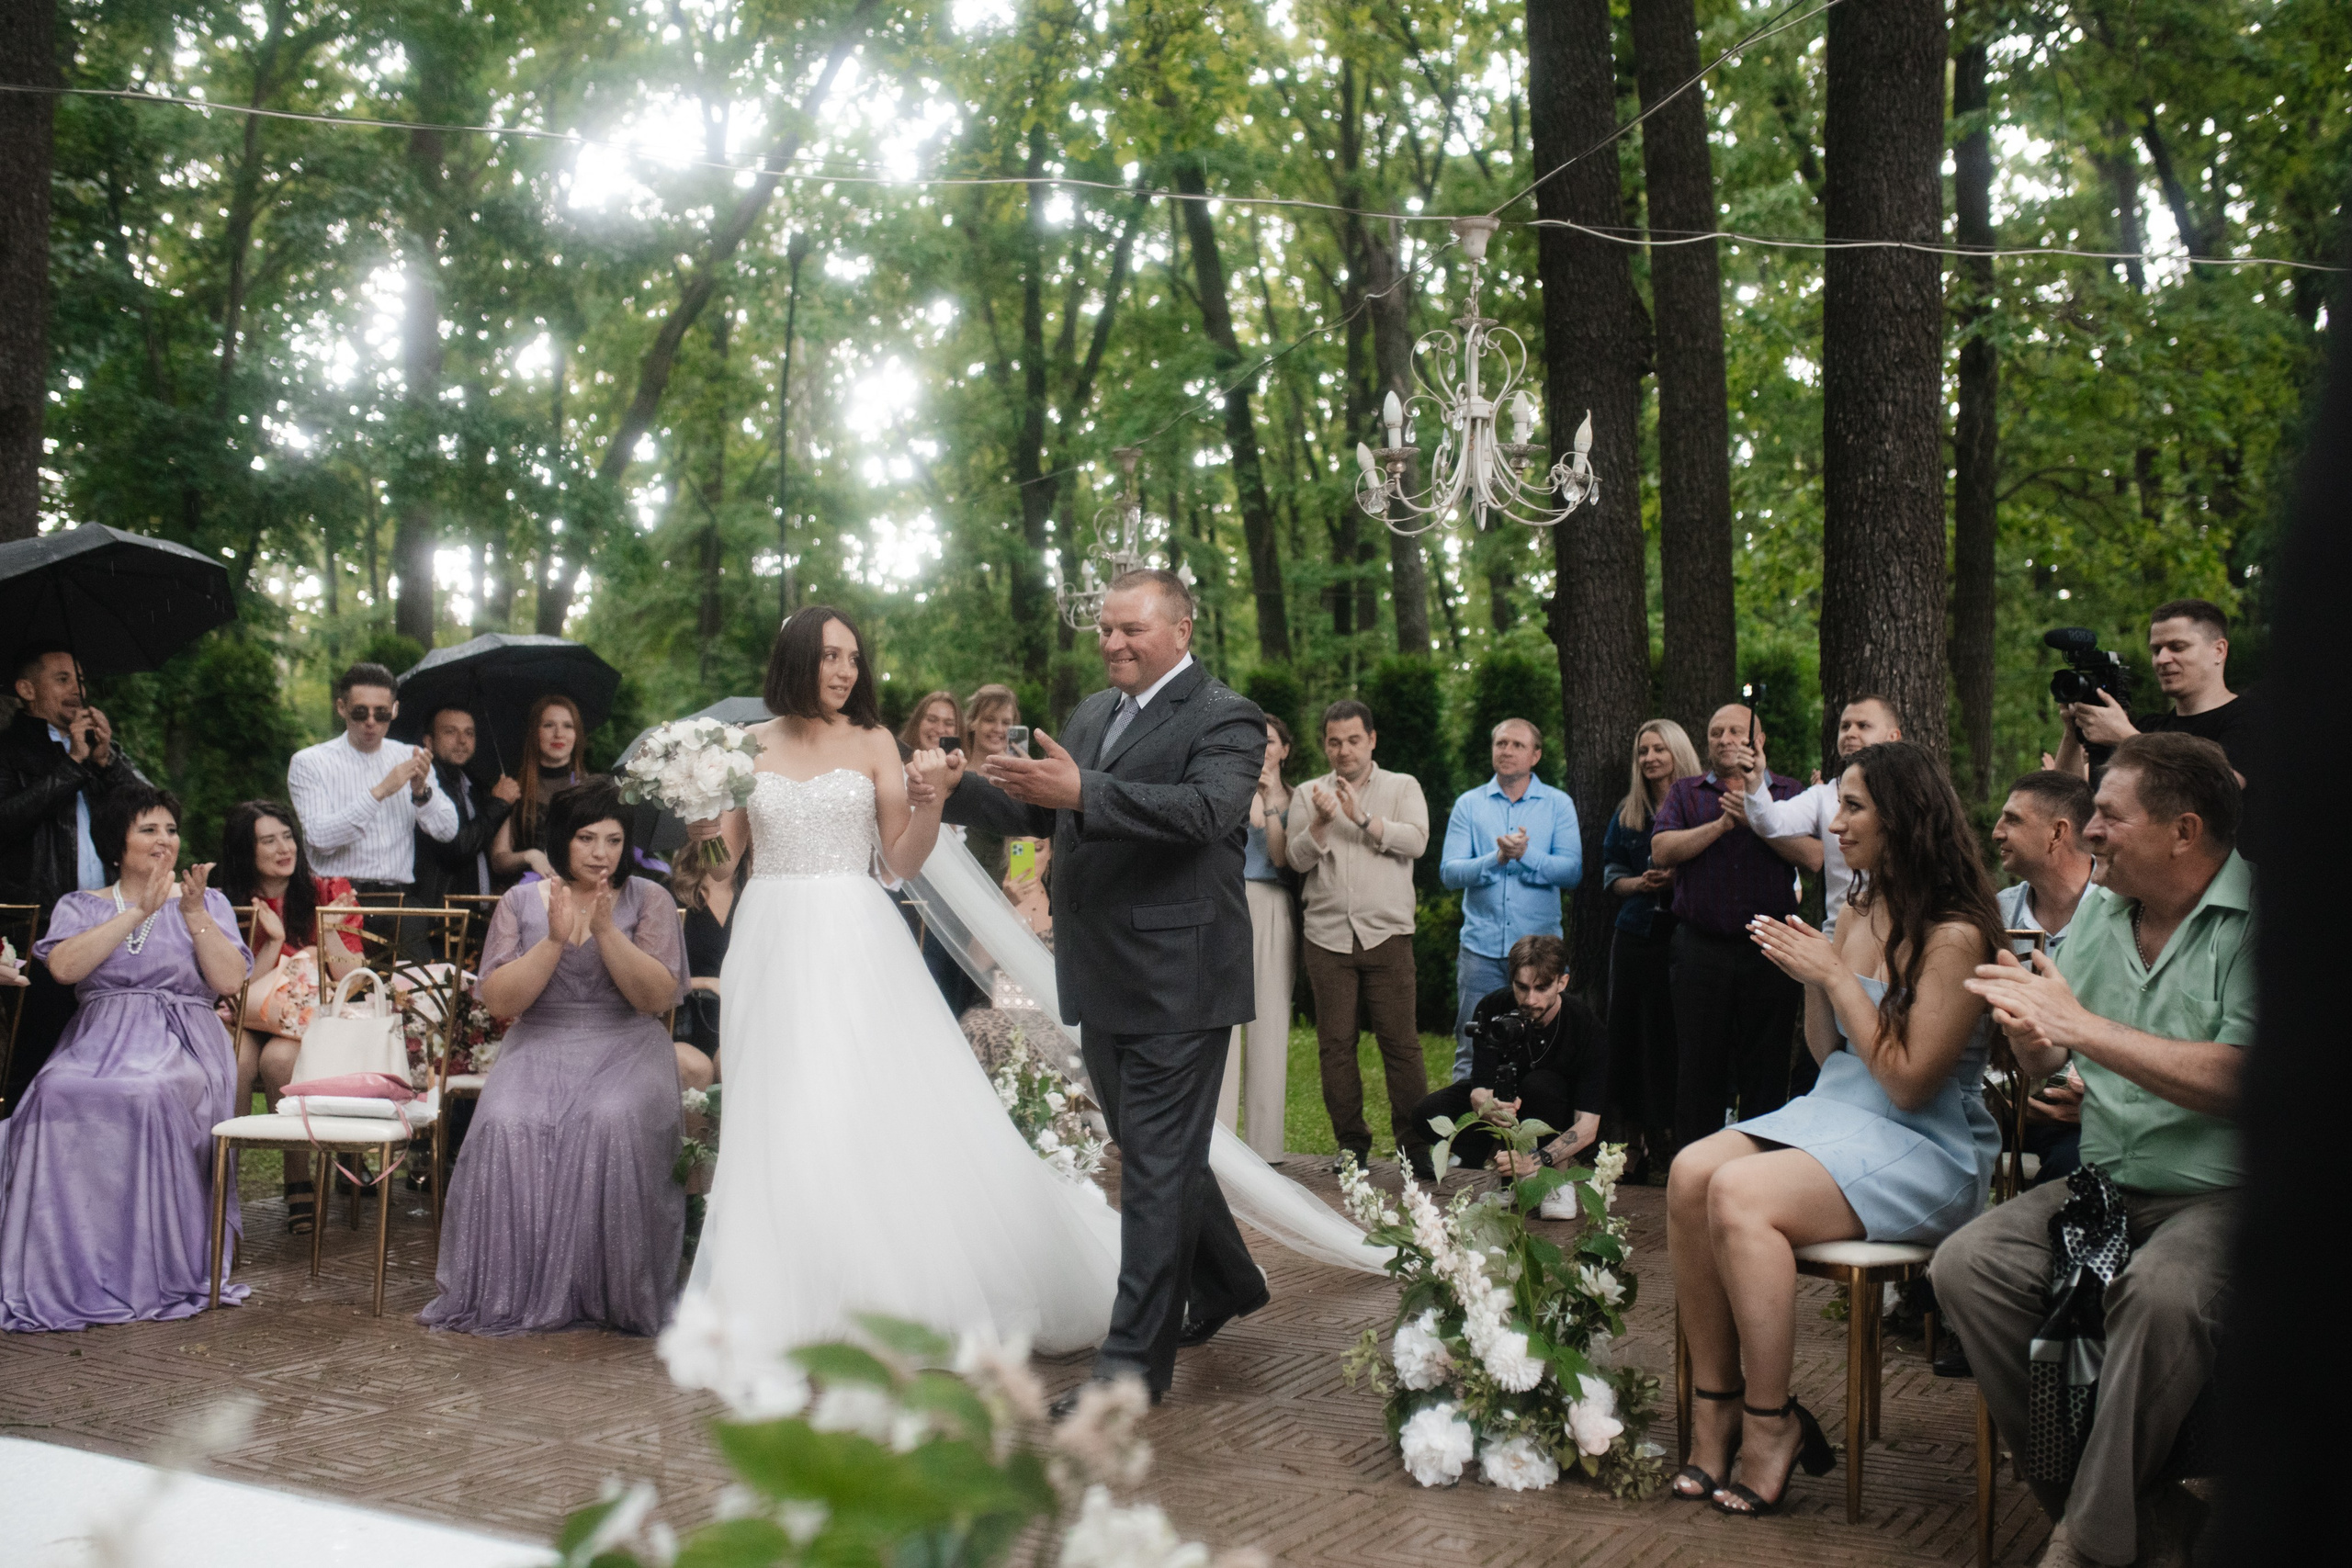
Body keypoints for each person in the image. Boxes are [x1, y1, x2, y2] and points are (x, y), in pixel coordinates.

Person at [667, 608, 1119, 1382]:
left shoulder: (875, 742)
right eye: (829, 656)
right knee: (783, 1115)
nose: (844, 670)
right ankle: (793, 1298)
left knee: (857, 1106)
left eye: (852, 657)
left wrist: (934, 800)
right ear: (796, 659)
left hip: (855, 936)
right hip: (770, 939)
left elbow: (900, 863)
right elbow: (716, 866)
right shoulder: (747, 748)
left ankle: (881, 1297)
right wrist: (699, 803)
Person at [939, 570, 1275, 1403]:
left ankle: (1127, 1377)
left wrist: (1083, 789)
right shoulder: (1092, 714)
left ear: (1182, 630)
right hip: (1102, 976)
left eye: (1132, 628)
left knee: (1155, 1173)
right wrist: (960, 786)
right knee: (1164, 1156)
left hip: (1180, 980)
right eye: (1106, 629)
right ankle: (1229, 1279)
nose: (1115, 642)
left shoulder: (1225, 717)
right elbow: (1038, 813)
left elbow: (1203, 812)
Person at [1668, 740, 2003, 1517]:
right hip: (1840, 1109)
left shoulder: (1955, 933)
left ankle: (1770, 1421)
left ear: (1903, 818)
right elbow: (1830, 1054)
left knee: (1740, 1195)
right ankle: (1712, 1407)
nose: (1836, 820)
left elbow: (1913, 1080)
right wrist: (1814, 979)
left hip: (1926, 1142)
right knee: (1689, 1173)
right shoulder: (1859, 903)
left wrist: (1828, 974)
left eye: (1853, 806)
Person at [1939, 735, 2248, 1568]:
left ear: (2183, 831)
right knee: (1965, 1265)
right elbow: (2062, 1056)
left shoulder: (2261, 920)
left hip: (2222, 1196)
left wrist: (2081, 1030)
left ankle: (2082, 1547)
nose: (2091, 830)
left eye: (2109, 813)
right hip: (2106, 1182)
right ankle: (2140, 1527)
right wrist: (2038, 1043)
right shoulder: (2103, 913)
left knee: (2158, 1294)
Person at [421, 778, 691, 1337]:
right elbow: (500, 1002)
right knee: (505, 1121)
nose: (601, 854)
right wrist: (552, 940)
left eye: (614, 840)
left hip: (627, 1043)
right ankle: (509, 1288)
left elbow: (656, 998)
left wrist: (605, 934)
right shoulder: (521, 901)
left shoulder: (651, 898)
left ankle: (610, 1291)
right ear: (564, 840)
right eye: (587, 839)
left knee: (610, 1119)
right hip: (541, 1039)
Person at [0, 784, 253, 1331]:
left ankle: (151, 1265)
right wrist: (138, 911)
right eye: (148, 829)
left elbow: (230, 980)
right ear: (118, 845)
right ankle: (64, 1263)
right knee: (52, 1090)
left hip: (182, 1039)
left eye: (170, 828)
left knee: (147, 1091)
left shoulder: (206, 902)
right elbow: (65, 969)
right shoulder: (80, 904)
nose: (165, 840)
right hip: (96, 1038)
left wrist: (190, 915)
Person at [1648, 704, 1820, 1154]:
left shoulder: (1788, 791)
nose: (1724, 739)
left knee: (1765, 1066)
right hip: (1700, 950)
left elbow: (1814, 857)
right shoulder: (1687, 793)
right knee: (1699, 1068)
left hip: (1770, 949)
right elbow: (1662, 850)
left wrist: (1758, 820)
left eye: (1736, 732)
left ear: (1758, 741)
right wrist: (1724, 823)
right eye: (1715, 732)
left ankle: (1756, 1169)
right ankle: (1694, 1170)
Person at [1285, 700, 1432, 1174]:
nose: (1343, 750)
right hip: (1327, 938)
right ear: (1324, 745)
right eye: (1334, 741)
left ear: (1372, 739)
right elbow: (1295, 860)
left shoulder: (1401, 786)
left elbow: (1417, 841)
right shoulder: (1309, 793)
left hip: (1387, 935)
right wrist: (1322, 824)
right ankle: (1352, 1145)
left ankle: (1416, 1148)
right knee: (1335, 1045)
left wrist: (1363, 819)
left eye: (1353, 739)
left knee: (1401, 1044)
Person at [0, 646, 141, 1109]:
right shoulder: (8, 750)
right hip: (35, 929)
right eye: (61, 678)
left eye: (79, 677)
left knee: (97, 1062)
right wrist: (72, 767)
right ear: (26, 690)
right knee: (34, 1061)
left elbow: (152, 811)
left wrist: (106, 762)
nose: (77, 689)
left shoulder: (95, 751)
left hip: (106, 922)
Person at [218, 801, 365, 1235]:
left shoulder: (326, 891)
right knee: (236, 1060)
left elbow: (351, 978)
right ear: (247, 851)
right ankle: (223, 1187)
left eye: (287, 836)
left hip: (304, 1020)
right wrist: (272, 941)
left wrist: (332, 928)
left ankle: (297, 1178)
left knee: (280, 1061)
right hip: (246, 1016)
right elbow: (232, 986)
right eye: (269, 840)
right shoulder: (232, 906)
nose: (284, 848)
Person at [1406, 934, 1605, 1211]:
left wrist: (1536, 1160)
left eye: (1542, 988)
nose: (1530, 999)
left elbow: (1587, 1127)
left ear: (1563, 982)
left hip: (1557, 1114)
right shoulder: (1493, 1007)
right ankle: (1507, 1173)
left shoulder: (1584, 1025)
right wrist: (1488, 1107)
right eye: (1521, 987)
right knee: (1428, 1113)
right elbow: (1479, 1088)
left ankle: (1556, 1181)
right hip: (1507, 1109)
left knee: (1543, 1084)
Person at [1439, 718, 1583, 1083]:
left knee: (1542, 1046)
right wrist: (1496, 859)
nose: (1506, 750)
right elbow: (1450, 873)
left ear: (1535, 755)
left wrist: (1526, 855)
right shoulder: (1469, 805)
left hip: (1540, 954)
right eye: (1500, 743)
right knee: (1472, 1043)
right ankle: (1469, 1135)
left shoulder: (1558, 805)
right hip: (1481, 951)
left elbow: (1572, 872)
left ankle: (1531, 1136)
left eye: (1517, 745)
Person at [285, 663, 458, 954]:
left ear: (395, 710)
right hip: (335, 898)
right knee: (342, 994)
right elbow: (319, 838)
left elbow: (448, 830)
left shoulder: (409, 755)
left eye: (381, 713)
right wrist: (380, 792)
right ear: (342, 708)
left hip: (397, 898)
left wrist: (421, 792)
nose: (371, 722)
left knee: (417, 995)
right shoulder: (310, 762)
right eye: (360, 712)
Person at [1988, 769, 2099, 1197]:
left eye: (2012, 819)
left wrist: (2097, 1101)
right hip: (1999, 1107)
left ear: (2057, 833)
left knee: (2073, 1167)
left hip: (2086, 1116)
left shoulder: (2123, 912)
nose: (1997, 832)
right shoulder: (1997, 914)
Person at [1601, 717, 1703, 1179]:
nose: (1650, 759)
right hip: (1634, 936)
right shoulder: (1629, 811)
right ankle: (1632, 1141)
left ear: (1678, 752)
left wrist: (1679, 878)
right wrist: (1638, 883)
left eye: (1659, 749)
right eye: (1643, 751)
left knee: (1672, 1041)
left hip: (1683, 937)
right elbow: (1609, 876)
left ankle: (1673, 1146)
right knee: (1627, 1038)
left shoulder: (1701, 805)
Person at [1737, 695, 1905, 935]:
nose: (1850, 733)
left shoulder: (1915, 793)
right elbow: (1770, 822)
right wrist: (1754, 781)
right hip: (1840, 936)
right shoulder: (1823, 795)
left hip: (1902, 935)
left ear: (1893, 737)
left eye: (1863, 726)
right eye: (1844, 726)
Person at [2054, 599, 2257, 789]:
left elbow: (2221, 788)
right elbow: (2071, 801)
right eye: (2156, 650)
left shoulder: (2252, 717)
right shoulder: (2148, 728)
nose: (2162, 659)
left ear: (2219, 650)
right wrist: (2073, 731)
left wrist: (2127, 740)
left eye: (2177, 647)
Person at [1224, 714, 1295, 1156]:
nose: (1262, 747)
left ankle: (1266, 1146)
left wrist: (1269, 800)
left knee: (1270, 1021)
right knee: (1225, 1021)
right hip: (1230, 904)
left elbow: (1282, 858)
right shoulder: (1230, 790)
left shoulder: (1298, 798)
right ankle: (1222, 1142)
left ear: (1285, 749)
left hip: (1273, 904)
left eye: (1269, 740)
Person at [412, 706, 521, 905]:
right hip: (440, 914)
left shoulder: (476, 786)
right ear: (429, 741)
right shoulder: (424, 786)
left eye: (469, 733)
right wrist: (499, 804)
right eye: (450, 732)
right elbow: (457, 846)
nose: (462, 740)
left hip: (477, 912)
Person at [670, 829, 741, 1093]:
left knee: (733, 1057)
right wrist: (705, 982)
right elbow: (655, 974)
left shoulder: (754, 894)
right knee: (692, 1065)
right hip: (686, 1020)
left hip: (740, 1017)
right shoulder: (671, 895)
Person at [489, 694, 586, 884]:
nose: (559, 734)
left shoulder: (590, 789)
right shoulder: (514, 788)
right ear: (535, 732)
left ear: (577, 734)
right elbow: (498, 860)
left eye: (568, 725)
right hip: (527, 897)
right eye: (549, 725)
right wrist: (530, 856)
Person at [898, 689, 964, 755]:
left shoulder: (965, 764)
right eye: (932, 720)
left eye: (949, 724)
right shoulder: (893, 761)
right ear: (917, 722)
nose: (940, 730)